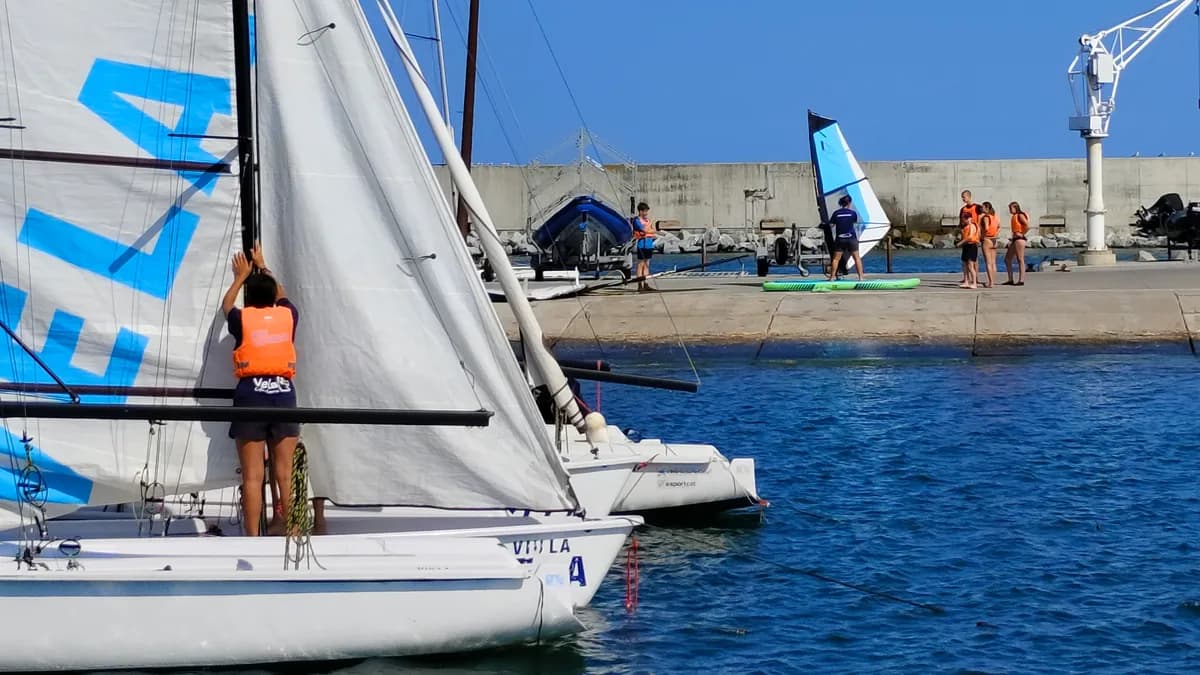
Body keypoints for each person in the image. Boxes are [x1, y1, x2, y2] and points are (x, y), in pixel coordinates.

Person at [221, 242, 300, 536]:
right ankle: (292, 531)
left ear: (249, 299)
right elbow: (282, 294)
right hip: (282, 393)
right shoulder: (288, 315)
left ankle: (253, 538)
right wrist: (263, 265)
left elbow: (227, 306)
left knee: (253, 477)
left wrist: (239, 276)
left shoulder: (242, 319)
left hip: (251, 395)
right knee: (284, 474)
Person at [826, 194, 864, 281]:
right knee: (856, 258)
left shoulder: (836, 213)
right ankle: (861, 277)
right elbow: (854, 222)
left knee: (836, 259)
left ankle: (832, 277)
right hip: (851, 238)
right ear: (849, 203)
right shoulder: (853, 213)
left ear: (841, 203)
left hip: (840, 239)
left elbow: (831, 225)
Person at [631, 202, 657, 292]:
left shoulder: (647, 221)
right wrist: (648, 229)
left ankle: (646, 283)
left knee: (647, 265)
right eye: (645, 211)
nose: (646, 213)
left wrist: (648, 231)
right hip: (642, 245)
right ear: (640, 211)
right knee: (640, 265)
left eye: (647, 211)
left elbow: (654, 231)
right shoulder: (637, 220)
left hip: (649, 245)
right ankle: (639, 285)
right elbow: (644, 230)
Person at [1004, 201, 1030, 286]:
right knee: (1007, 259)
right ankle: (1010, 279)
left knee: (1020, 259)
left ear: (1015, 208)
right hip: (1015, 239)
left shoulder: (1020, 215)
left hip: (1019, 239)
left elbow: (1027, 225)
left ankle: (1021, 280)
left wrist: (1022, 233)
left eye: (1011, 208)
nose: (1010, 210)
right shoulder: (1014, 216)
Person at [958, 190, 980, 284]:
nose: (963, 199)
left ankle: (975, 278)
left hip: (974, 233)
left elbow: (984, 216)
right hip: (965, 233)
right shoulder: (963, 209)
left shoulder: (977, 207)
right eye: (962, 197)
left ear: (969, 196)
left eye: (964, 197)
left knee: (973, 259)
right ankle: (966, 278)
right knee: (965, 260)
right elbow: (961, 222)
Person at [979, 201, 1000, 288]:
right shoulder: (995, 217)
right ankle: (993, 281)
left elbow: (987, 228)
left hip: (987, 239)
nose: (981, 209)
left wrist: (982, 235)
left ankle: (990, 282)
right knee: (993, 262)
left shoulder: (986, 217)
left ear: (987, 208)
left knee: (988, 262)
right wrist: (995, 234)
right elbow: (999, 227)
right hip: (994, 239)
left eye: (983, 207)